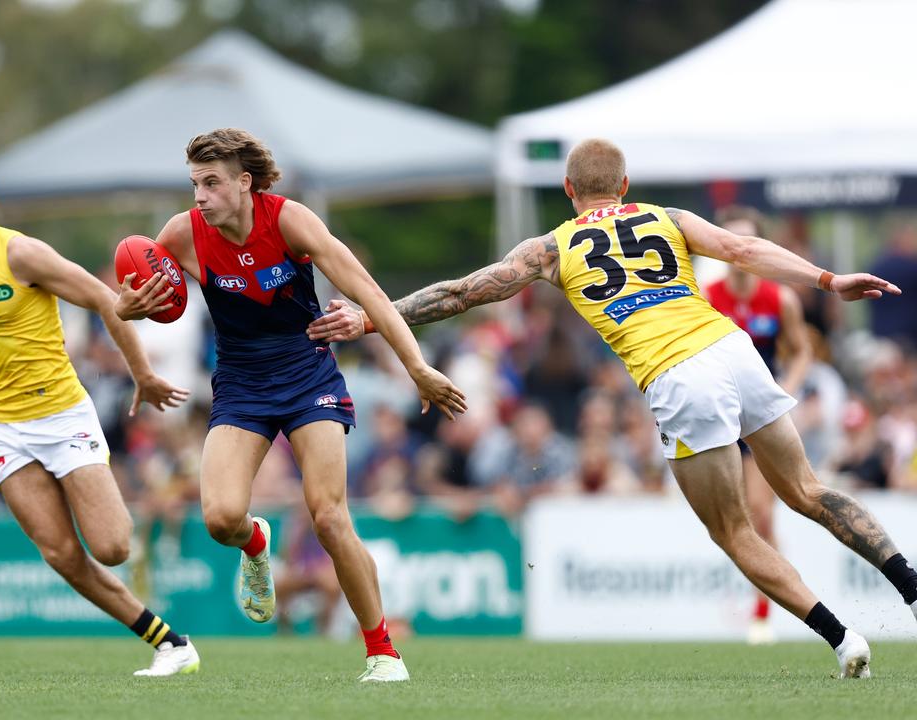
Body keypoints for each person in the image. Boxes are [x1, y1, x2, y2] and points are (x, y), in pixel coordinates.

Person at [308, 138, 917, 680]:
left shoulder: (550, 248)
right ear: (625, 187)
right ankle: (912, 589)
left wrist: (372, 316)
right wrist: (828, 280)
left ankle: (843, 639)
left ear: (569, 190)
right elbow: (739, 247)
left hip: (678, 375)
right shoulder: (666, 217)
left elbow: (463, 292)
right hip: (732, 349)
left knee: (734, 531)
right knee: (808, 490)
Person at [115, 128, 466, 682]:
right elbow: (135, 305)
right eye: (194, 184)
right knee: (220, 518)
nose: (199, 196)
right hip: (241, 383)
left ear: (244, 183)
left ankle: (382, 651)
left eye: (211, 184)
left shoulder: (289, 220)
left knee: (329, 517)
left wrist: (416, 368)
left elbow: (369, 290)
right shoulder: (181, 235)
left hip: (308, 374)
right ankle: (257, 543)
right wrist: (127, 307)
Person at [0, 155, 199, 677]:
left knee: (113, 546)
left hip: (62, 415)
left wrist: (142, 373)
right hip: (2, 430)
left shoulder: (21, 253)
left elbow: (102, 299)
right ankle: (171, 644)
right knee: (61, 555)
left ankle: (169, 633)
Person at [702, 206, 813, 645]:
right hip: (723, 418)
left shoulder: (779, 298)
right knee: (734, 519)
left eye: (746, 239)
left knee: (762, 514)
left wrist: (790, 387)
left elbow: (801, 350)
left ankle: (764, 611)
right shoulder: (707, 296)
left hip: (761, 418)